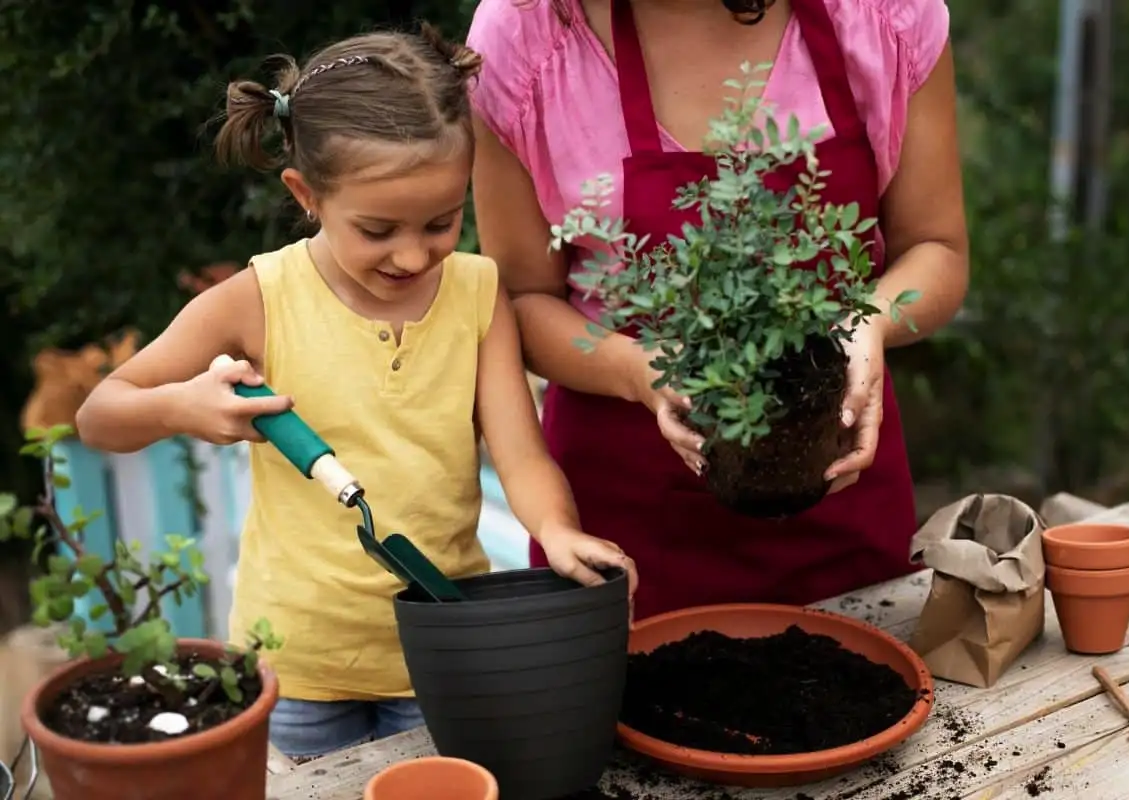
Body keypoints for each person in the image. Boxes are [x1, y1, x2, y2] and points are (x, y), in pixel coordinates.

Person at [74, 25, 637, 761]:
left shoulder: (477, 294)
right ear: (306, 195)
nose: (412, 254)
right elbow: (99, 415)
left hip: (441, 649)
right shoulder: (259, 298)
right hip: (297, 669)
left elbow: (522, 454)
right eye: (377, 230)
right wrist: (184, 407)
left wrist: (557, 531)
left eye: (441, 222)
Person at [466, 0, 969, 619]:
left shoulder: (881, 15)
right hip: (624, 531)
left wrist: (867, 321)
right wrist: (636, 370)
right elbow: (521, 299)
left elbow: (936, 250)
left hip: (835, 490)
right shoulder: (528, 31)